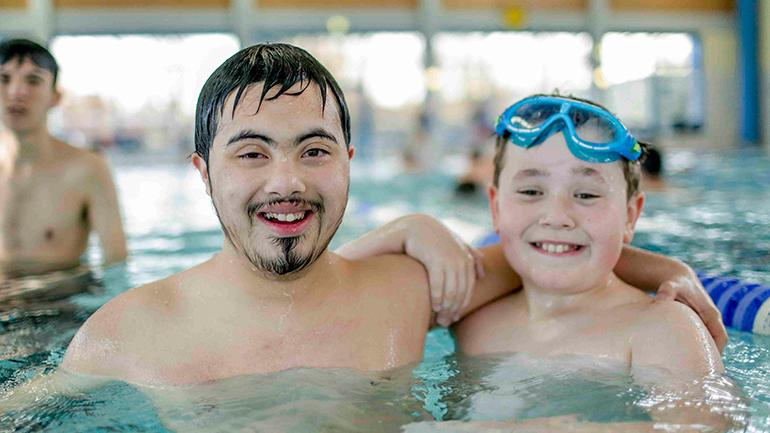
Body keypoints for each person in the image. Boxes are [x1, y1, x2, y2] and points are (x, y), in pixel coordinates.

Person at [56, 44, 723, 387]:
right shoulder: (124, 334)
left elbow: (546, 251)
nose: (285, 182)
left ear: (348, 161)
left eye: (313, 151)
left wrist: (672, 269)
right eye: (252, 153)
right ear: (202, 171)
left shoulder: (411, 290)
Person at [0, 39, 127, 277]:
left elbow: (116, 264)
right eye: (4, 79)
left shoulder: (88, 169)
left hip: (60, 305)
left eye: (33, 80)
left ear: (55, 97)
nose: (16, 92)